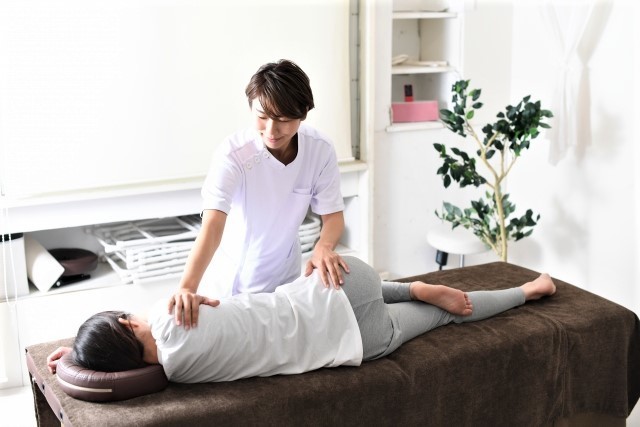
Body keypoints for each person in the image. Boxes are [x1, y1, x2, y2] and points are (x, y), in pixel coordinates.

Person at [47, 257, 556, 382]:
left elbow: (120, 378)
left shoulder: (174, 372)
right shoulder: (170, 312)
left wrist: (79, 361)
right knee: (369, 290)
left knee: (445, 318)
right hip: (341, 280)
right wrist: (80, 344)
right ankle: (407, 286)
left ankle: (528, 291)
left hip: (357, 340)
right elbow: (157, 314)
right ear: (126, 325)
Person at [169, 59, 349, 329]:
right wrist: (187, 287)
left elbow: (333, 216)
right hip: (232, 285)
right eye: (262, 116)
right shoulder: (234, 155)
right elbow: (212, 226)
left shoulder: (319, 150)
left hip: (286, 280)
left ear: (303, 114)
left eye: (283, 120)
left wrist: (323, 247)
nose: (271, 130)